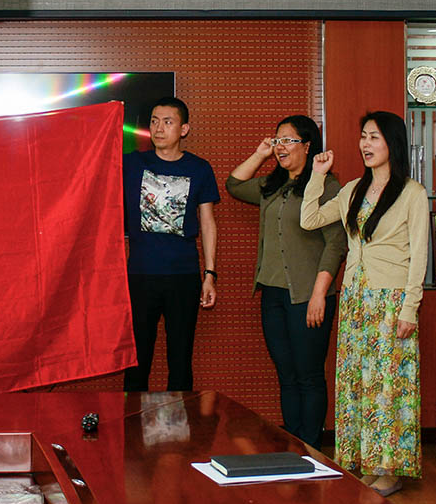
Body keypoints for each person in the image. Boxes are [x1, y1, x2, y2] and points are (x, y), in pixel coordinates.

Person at [301, 111, 428, 496]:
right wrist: (317, 175)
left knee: (388, 386)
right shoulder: (353, 189)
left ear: (392, 142)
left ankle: (389, 468)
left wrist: (410, 307)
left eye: (374, 136)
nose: (365, 144)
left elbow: (419, 256)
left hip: (391, 300)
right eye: (363, 137)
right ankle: (365, 462)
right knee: (357, 383)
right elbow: (309, 219)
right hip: (356, 299)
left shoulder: (412, 193)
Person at [226, 115, 347, 447]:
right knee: (287, 375)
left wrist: (320, 294)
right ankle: (294, 446)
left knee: (309, 375)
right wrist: (261, 153)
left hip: (309, 295)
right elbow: (234, 184)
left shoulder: (326, 186)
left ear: (307, 146)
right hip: (273, 294)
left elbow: (336, 244)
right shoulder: (272, 185)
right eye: (277, 140)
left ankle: (312, 449)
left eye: (288, 141)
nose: (281, 147)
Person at [121, 97, 219, 392]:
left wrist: (210, 274)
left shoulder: (199, 168)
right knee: (136, 361)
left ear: (184, 129)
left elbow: (207, 222)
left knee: (180, 359)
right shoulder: (131, 164)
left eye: (167, 122)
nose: (158, 128)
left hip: (183, 275)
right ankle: (131, 421)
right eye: (154, 121)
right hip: (140, 275)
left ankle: (181, 422)